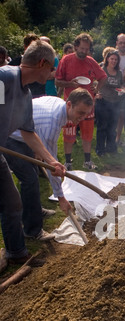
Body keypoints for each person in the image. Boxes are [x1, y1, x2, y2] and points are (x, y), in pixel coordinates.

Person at [0, 39, 65, 272]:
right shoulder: (4, 78)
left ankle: (16, 253)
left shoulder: (26, 95)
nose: (52, 72)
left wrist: (50, 161)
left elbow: (29, 133)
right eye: (51, 67)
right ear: (41, 63)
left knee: (12, 202)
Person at [4, 88, 93, 241]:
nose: (83, 118)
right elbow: (52, 165)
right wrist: (61, 197)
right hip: (10, 136)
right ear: (69, 104)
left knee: (32, 175)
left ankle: (34, 210)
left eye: (86, 114)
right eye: (80, 113)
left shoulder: (60, 107)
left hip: (27, 132)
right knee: (30, 179)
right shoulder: (52, 122)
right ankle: (32, 230)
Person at [55, 33, 107, 170]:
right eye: (82, 48)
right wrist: (69, 83)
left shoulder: (90, 61)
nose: (84, 52)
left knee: (88, 134)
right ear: (76, 46)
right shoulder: (66, 60)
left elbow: (103, 77)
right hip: (71, 104)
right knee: (69, 134)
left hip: (88, 104)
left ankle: (87, 161)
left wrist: (96, 88)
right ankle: (68, 162)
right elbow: (57, 80)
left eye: (87, 49)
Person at [95, 50, 123, 156]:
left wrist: (122, 90)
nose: (114, 61)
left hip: (115, 102)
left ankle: (111, 148)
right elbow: (94, 82)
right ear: (107, 59)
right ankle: (100, 150)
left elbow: (120, 86)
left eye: (116, 59)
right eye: (112, 59)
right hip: (103, 102)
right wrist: (96, 93)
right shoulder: (102, 70)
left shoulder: (119, 73)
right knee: (102, 127)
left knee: (112, 127)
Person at [9, 33, 46, 98]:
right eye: (31, 47)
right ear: (25, 47)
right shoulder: (14, 64)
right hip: (19, 98)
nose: (34, 50)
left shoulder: (42, 63)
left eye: (36, 47)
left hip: (38, 98)